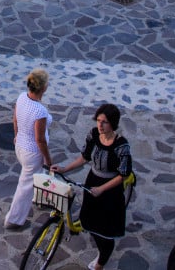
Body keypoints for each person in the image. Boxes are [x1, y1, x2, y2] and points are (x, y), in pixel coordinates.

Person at [52, 103, 132, 270]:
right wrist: (65, 168)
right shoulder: (94, 135)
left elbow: (123, 175)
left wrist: (102, 189)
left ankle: (100, 264)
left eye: (105, 122)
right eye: (98, 120)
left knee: (105, 234)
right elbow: (84, 158)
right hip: (93, 182)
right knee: (91, 223)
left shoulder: (121, 146)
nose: (100, 125)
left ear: (113, 123)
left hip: (110, 191)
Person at [4, 69, 53, 229]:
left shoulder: (21, 98)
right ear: (43, 88)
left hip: (21, 145)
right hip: (32, 152)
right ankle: (13, 220)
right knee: (24, 187)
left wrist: (17, 136)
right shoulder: (40, 111)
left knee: (38, 175)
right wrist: (48, 159)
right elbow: (40, 139)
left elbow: (15, 119)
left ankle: (41, 199)